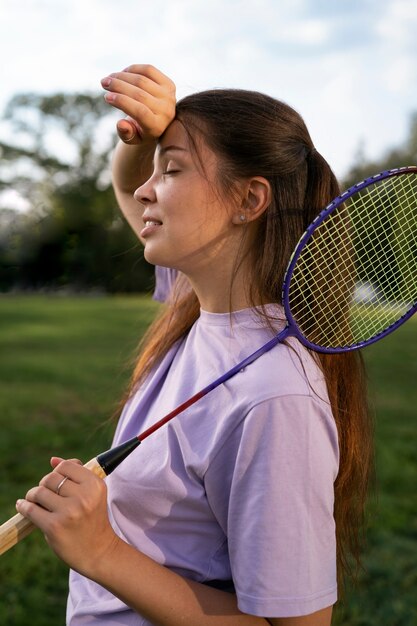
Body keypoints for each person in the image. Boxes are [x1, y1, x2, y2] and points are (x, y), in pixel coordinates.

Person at [16, 64, 374, 626]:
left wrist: (100, 551)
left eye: (174, 171)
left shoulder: (276, 398)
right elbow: (128, 187)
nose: (144, 190)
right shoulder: (200, 305)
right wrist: (150, 135)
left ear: (249, 200)